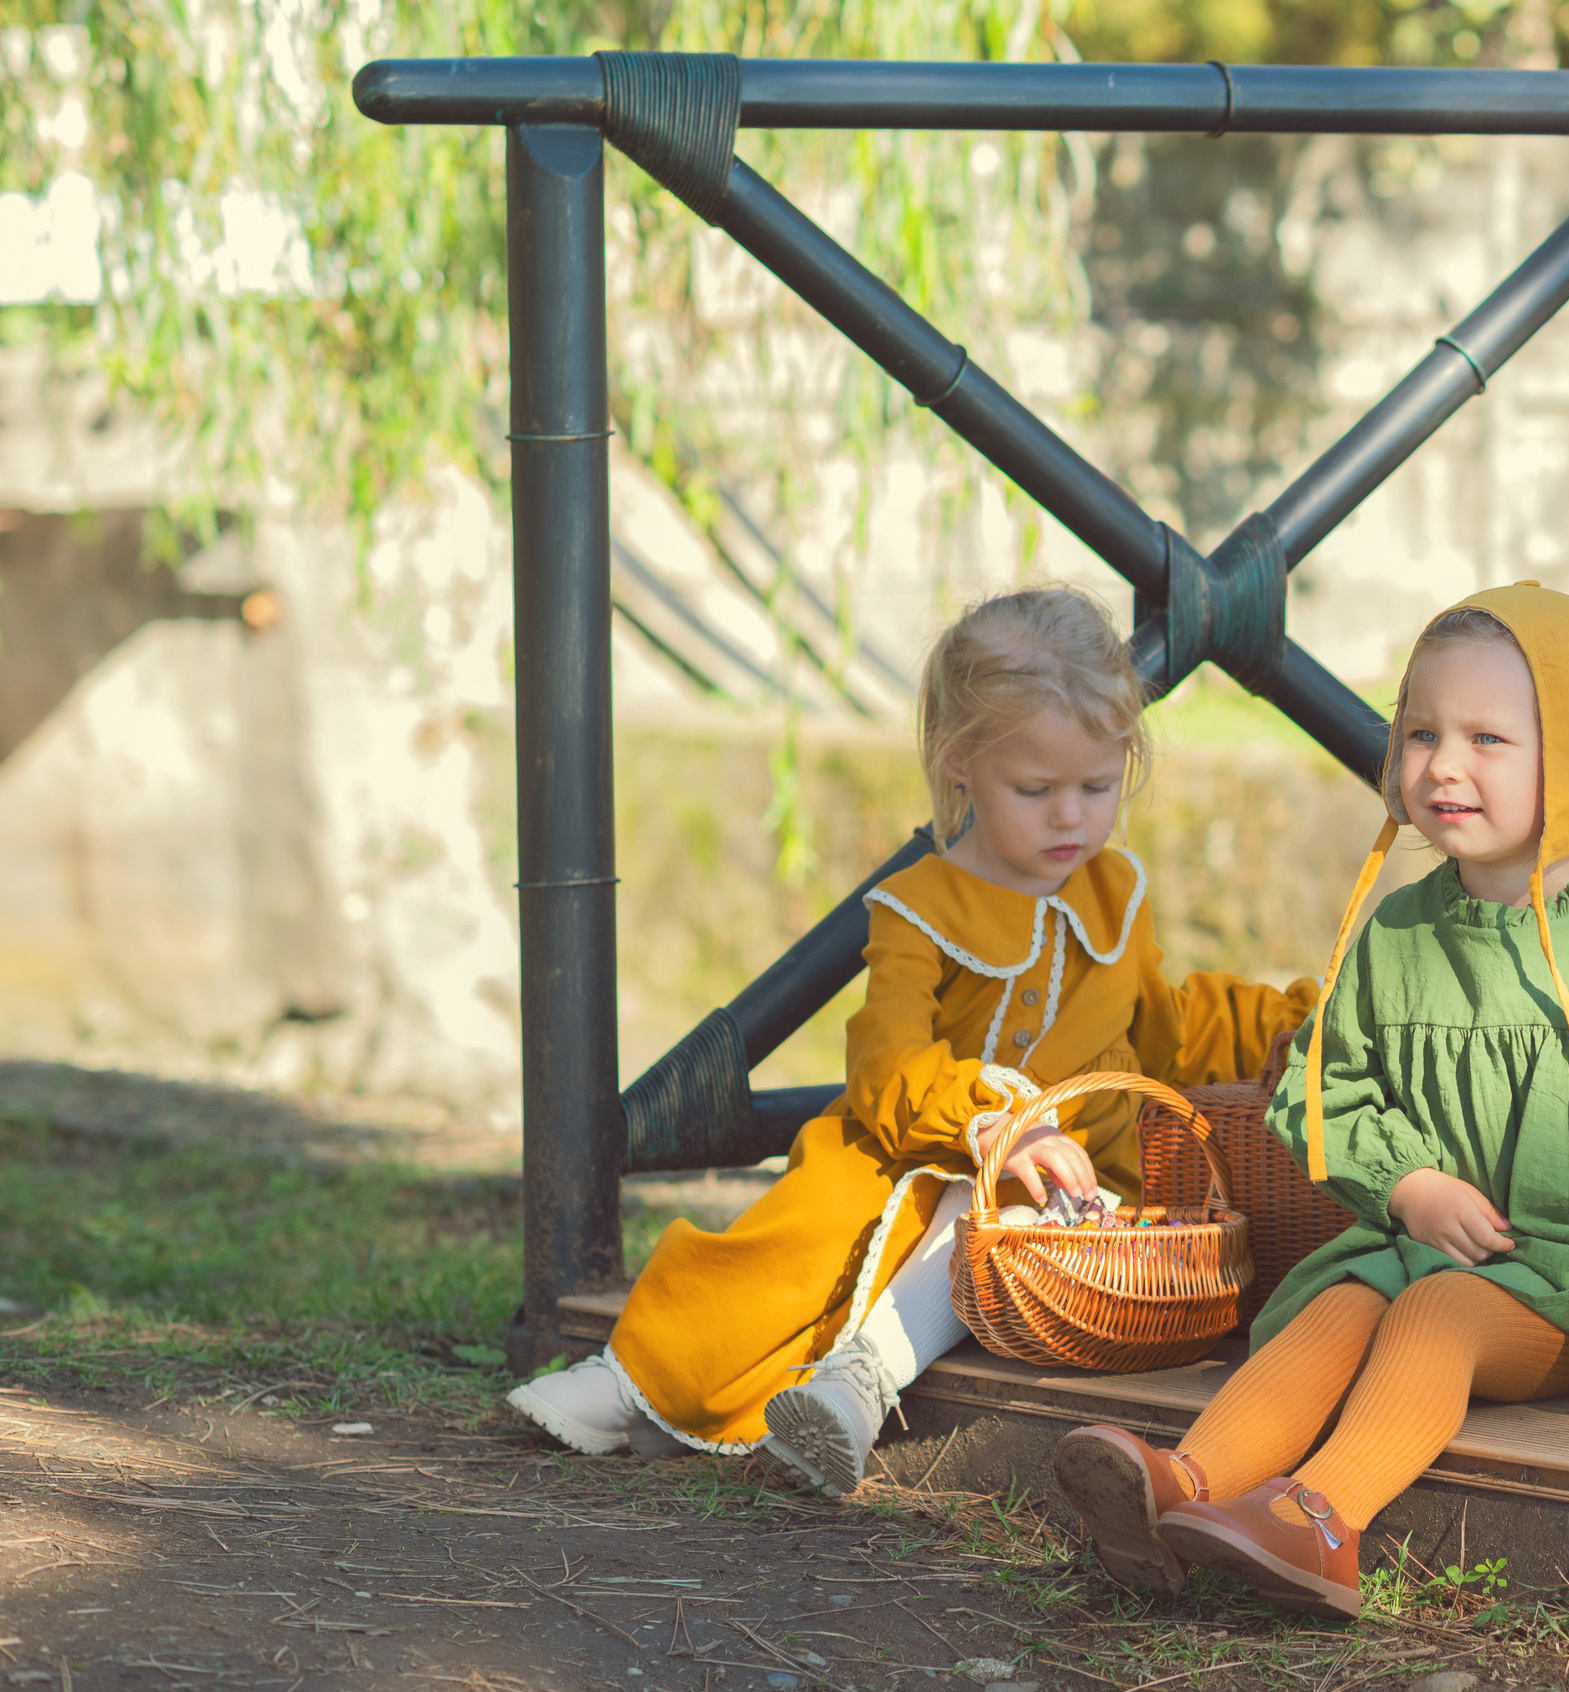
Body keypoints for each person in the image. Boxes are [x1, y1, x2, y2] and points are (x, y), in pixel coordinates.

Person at [1047, 582, 1569, 1617]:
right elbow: (1324, 1087)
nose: (1443, 765)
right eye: (1420, 732)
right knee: (1345, 1298)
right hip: (1432, 1245)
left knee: (1434, 1309)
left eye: (1488, 739)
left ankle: (1322, 1520)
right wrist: (1407, 1183)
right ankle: (1182, 1487)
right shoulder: (1396, 936)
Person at [505, 585, 1317, 1491]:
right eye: (1036, 790)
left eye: (1098, 787)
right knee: (791, 1246)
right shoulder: (918, 908)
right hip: (909, 1147)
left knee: (998, 1214)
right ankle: (630, 1382)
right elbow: (886, 1059)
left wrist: (1292, 1021)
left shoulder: (1113, 895)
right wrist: (985, 1122)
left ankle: (857, 1389)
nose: (1071, 819)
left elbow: (1168, 1023)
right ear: (960, 762)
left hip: (1066, 1179)